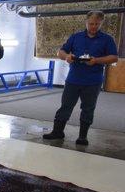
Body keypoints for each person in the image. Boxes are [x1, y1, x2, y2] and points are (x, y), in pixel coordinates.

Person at [43, 11, 118, 146]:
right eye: (91, 24)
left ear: (101, 23)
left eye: (96, 24)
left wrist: (96, 60)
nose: (93, 26)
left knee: (88, 108)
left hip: (93, 81)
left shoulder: (107, 39)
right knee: (65, 106)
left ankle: (82, 137)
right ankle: (57, 131)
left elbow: (114, 57)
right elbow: (60, 51)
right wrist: (66, 57)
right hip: (73, 80)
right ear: (86, 22)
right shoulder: (76, 37)